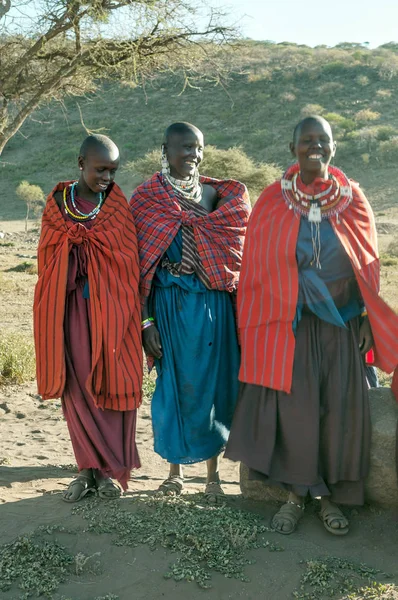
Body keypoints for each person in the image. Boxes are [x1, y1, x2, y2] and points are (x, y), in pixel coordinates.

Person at [225, 116, 398, 534]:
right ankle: (297, 496)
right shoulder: (271, 200)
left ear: (334, 148)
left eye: (323, 140)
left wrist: (363, 319)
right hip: (290, 328)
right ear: (293, 148)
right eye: (307, 140)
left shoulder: (353, 198)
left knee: (340, 411)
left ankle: (332, 497)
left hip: (341, 326)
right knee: (296, 411)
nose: (314, 146)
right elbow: (258, 271)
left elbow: (367, 268)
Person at [130, 122, 250, 501]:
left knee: (214, 386)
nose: (193, 155)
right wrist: (146, 321)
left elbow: (235, 249)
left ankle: (213, 476)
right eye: (184, 148)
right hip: (167, 307)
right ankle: (174, 473)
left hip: (212, 304)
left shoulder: (216, 195)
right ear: (164, 149)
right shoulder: (147, 199)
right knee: (173, 385)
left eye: (198, 148)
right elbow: (140, 268)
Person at [33, 134, 143, 502]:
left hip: (112, 314)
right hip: (70, 313)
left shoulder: (116, 207)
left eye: (113, 170)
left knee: (111, 382)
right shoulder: (58, 202)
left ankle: (110, 473)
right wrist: (72, 246)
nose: (108, 177)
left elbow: (128, 263)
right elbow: (48, 256)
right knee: (77, 390)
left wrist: (89, 250)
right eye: (100, 169)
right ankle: (85, 470)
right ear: (81, 163)